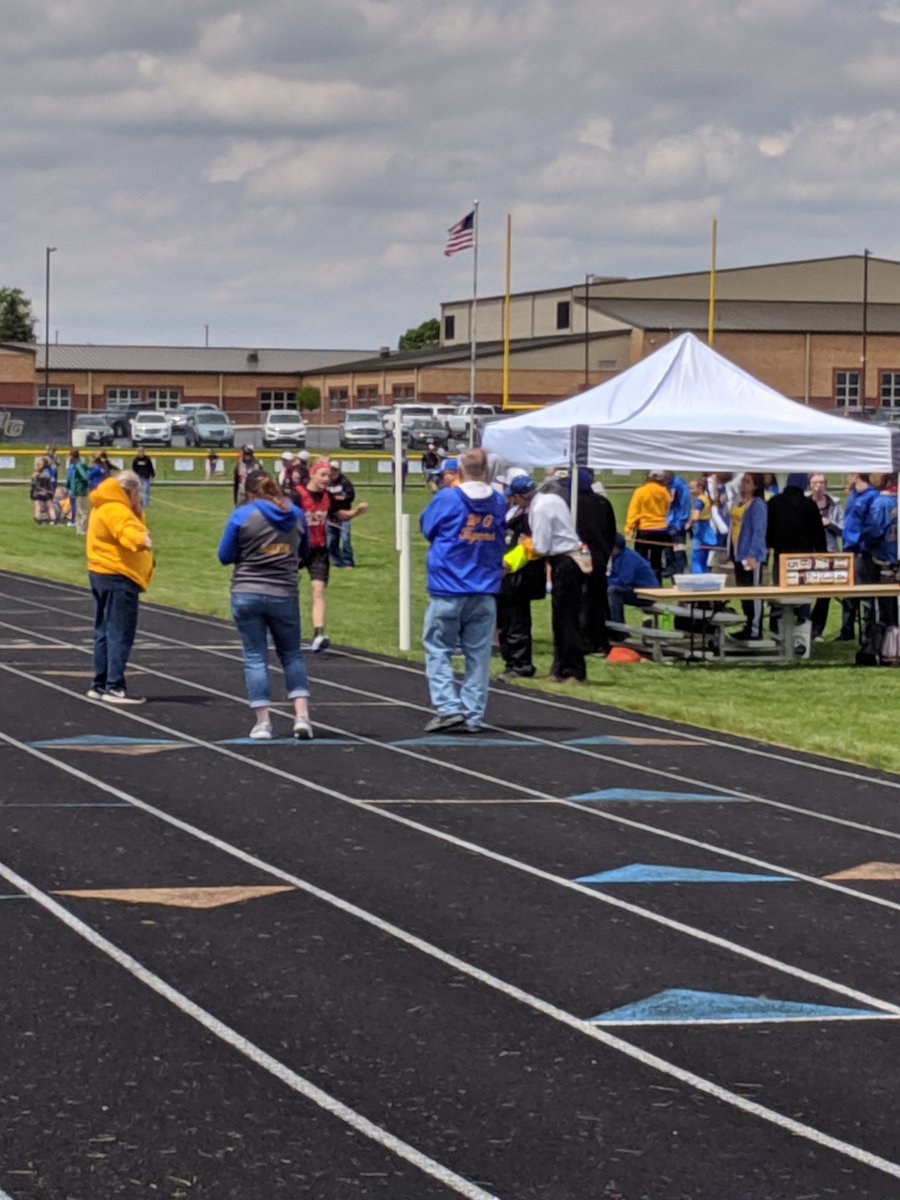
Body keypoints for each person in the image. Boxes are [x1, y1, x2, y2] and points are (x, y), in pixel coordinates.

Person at [217, 469, 314, 740]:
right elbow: (306, 551)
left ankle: (263, 722)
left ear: (249, 492)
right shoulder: (295, 514)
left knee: (255, 656)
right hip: (284, 591)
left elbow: (224, 555)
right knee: (292, 654)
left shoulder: (242, 515)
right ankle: (302, 716)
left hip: (247, 591)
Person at [420, 447, 506, 731]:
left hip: (449, 587)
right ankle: (473, 713)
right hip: (484, 589)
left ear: (458, 470)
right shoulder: (498, 500)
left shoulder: (448, 498)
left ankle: (447, 706)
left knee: (438, 648)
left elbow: (428, 527)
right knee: (478, 655)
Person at [85, 470, 154, 704]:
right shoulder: (116, 508)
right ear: (132, 491)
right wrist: (141, 539)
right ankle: (114, 686)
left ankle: (100, 683)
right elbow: (125, 528)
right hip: (118, 575)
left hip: (102, 572)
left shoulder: (103, 504)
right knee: (119, 632)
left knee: (104, 630)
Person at [294, 459, 368, 651]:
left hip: (318, 550)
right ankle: (281, 629)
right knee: (287, 591)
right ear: (312, 474)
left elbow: (341, 514)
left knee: (318, 590)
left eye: (328, 476)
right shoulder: (297, 495)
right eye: (322, 475)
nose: (326, 479)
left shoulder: (327, 497)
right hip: (296, 549)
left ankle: (319, 633)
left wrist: (357, 512)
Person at [530, 474, 588, 682]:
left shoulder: (539, 509)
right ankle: (561, 667)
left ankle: (571, 669)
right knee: (565, 617)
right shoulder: (553, 500)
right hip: (571, 559)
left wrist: (526, 548)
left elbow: (542, 546)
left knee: (565, 618)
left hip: (563, 561)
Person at [496, 474, 545, 678]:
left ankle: (521, 665)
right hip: (506, 574)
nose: (511, 500)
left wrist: (509, 562)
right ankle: (510, 662)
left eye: (514, 496)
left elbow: (533, 545)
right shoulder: (516, 512)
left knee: (517, 621)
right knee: (504, 622)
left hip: (521, 576)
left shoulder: (536, 514)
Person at [766, 472, 826, 630]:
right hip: (804, 556)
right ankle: (801, 628)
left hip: (782, 554)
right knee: (802, 593)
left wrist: (770, 545)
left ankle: (776, 628)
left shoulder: (774, 502)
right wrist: (822, 552)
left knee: (780, 591)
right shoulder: (809, 505)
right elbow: (818, 533)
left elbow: (768, 530)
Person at [574, 467, 616, 654]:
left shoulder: (573, 505)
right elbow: (611, 532)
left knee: (582, 600)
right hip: (599, 557)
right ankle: (600, 639)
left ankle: (584, 640)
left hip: (579, 558)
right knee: (598, 600)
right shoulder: (603, 502)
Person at [839, 473, 879, 639]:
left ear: (856, 475)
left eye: (850, 474)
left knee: (865, 593)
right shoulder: (852, 494)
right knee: (848, 591)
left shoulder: (872, 495)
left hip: (862, 550)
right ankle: (847, 630)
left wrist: (860, 540)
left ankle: (868, 632)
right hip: (848, 548)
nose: (847, 477)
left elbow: (872, 524)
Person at [730, 473, 768, 640]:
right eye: (742, 481)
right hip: (738, 554)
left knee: (753, 593)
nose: (743, 484)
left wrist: (752, 554)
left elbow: (759, 531)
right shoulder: (740, 503)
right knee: (744, 593)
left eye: (747, 482)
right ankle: (747, 625)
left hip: (752, 557)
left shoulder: (757, 504)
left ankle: (755, 629)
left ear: (755, 486)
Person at [808, 474, 845, 639]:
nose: (819, 486)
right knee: (806, 592)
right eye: (815, 482)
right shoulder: (805, 503)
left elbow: (843, 530)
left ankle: (817, 629)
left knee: (825, 594)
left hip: (829, 551)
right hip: (809, 552)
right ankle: (803, 626)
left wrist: (830, 524)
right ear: (810, 485)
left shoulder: (834, 504)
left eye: (822, 482)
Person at [862, 473, 898, 625]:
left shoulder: (879, 503)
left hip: (882, 557)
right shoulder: (895, 501)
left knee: (883, 601)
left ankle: (887, 636)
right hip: (894, 553)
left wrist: (865, 543)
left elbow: (875, 530)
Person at [625, 470, 671, 580]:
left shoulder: (640, 491)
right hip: (661, 528)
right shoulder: (665, 492)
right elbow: (668, 509)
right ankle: (656, 582)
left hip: (645, 529)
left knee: (641, 559)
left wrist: (629, 529)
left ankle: (643, 581)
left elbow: (634, 512)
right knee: (657, 560)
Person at [607, 532, 659, 629]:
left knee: (613, 592)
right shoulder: (616, 557)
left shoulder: (629, 557)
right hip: (634, 589)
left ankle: (618, 629)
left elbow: (624, 581)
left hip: (646, 593)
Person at [327, 460, 359, 569]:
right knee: (331, 540)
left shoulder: (345, 482)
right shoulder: (327, 482)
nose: (332, 472)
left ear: (338, 470)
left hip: (344, 515)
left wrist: (340, 498)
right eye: (330, 470)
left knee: (345, 539)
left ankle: (348, 562)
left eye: (334, 470)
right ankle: (336, 561)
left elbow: (351, 496)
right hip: (331, 515)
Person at [663, 471, 691, 578]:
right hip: (666, 524)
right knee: (668, 552)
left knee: (679, 552)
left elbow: (685, 502)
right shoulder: (664, 484)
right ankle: (673, 577)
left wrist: (682, 521)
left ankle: (682, 574)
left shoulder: (679, 483)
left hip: (677, 524)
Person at [688, 477, 719, 572]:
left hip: (700, 529)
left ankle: (697, 580)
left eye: (692, 488)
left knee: (696, 559)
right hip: (707, 528)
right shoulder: (707, 498)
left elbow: (695, 517)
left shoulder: (699, 501)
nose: (690, 491)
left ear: (700, 487)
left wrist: (689, 524)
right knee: (705, 560)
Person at [29, 457, 54, 524]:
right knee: (50, 507)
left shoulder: (35, 475)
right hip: (46, 493)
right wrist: (51, 492)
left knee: (38, 506)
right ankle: (53, 520)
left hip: (37, 493)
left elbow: (33, 485)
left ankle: (37, 519)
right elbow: (49, 485)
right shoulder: (47, 474)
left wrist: (31, 493)